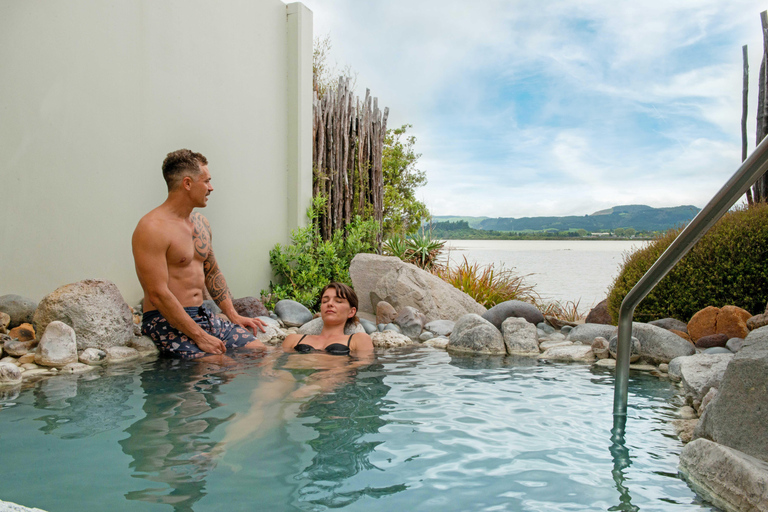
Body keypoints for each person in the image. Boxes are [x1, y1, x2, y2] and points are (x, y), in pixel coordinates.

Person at [132, 149, 267, 359]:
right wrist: (200, 337)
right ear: (187, 183)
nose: (211, 188)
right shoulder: (152, 228)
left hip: (202, 315)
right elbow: (157, 294)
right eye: (206, 181)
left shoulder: (201, 223)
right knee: (217, 362)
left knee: (258, 352)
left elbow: (212, 272)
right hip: (164, 320)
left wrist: (233, 315)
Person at [282, 283, 374, 355]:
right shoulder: (293, 339)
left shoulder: (359, 339)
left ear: (351, 312)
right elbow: (275, 364)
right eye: (325, 301)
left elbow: (363, 367)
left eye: (338, 301)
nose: (329, 304)